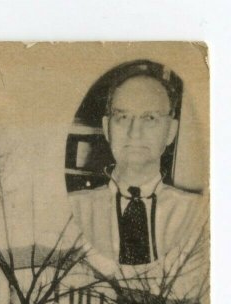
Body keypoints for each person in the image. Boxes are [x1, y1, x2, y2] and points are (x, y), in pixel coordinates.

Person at [69, 71, 202, 272]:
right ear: (107, 128)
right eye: (123, 117)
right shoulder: (73, 210)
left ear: (171, 131)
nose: (134, 132)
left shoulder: (199, 214)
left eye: (150, 118)